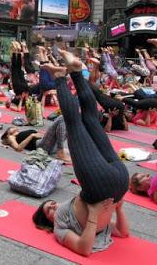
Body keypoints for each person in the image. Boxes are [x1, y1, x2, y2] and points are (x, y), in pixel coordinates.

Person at [32, 50, 129, 256]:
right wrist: (102, 213)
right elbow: (86, 249)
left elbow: (120, 232)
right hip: (108, 186)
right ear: (48, 222)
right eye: (49, 210)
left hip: (107, 183)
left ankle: (76, 71)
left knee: (90, 121)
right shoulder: (59, 227)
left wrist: (111, 208)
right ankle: (61, 76)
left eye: (50, 204)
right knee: (73, 124)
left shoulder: (68, 208)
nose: (53, 207)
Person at [1, 115, 70, 162]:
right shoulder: (11, 137)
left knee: (68, 120)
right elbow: (18, 148)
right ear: (7, 134)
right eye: (10, 129)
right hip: (42, 147)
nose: (13, 128)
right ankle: (60, 152)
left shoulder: (19, 134)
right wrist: (32, 136)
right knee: (61, 118)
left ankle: (63, 149)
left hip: (50, 145)